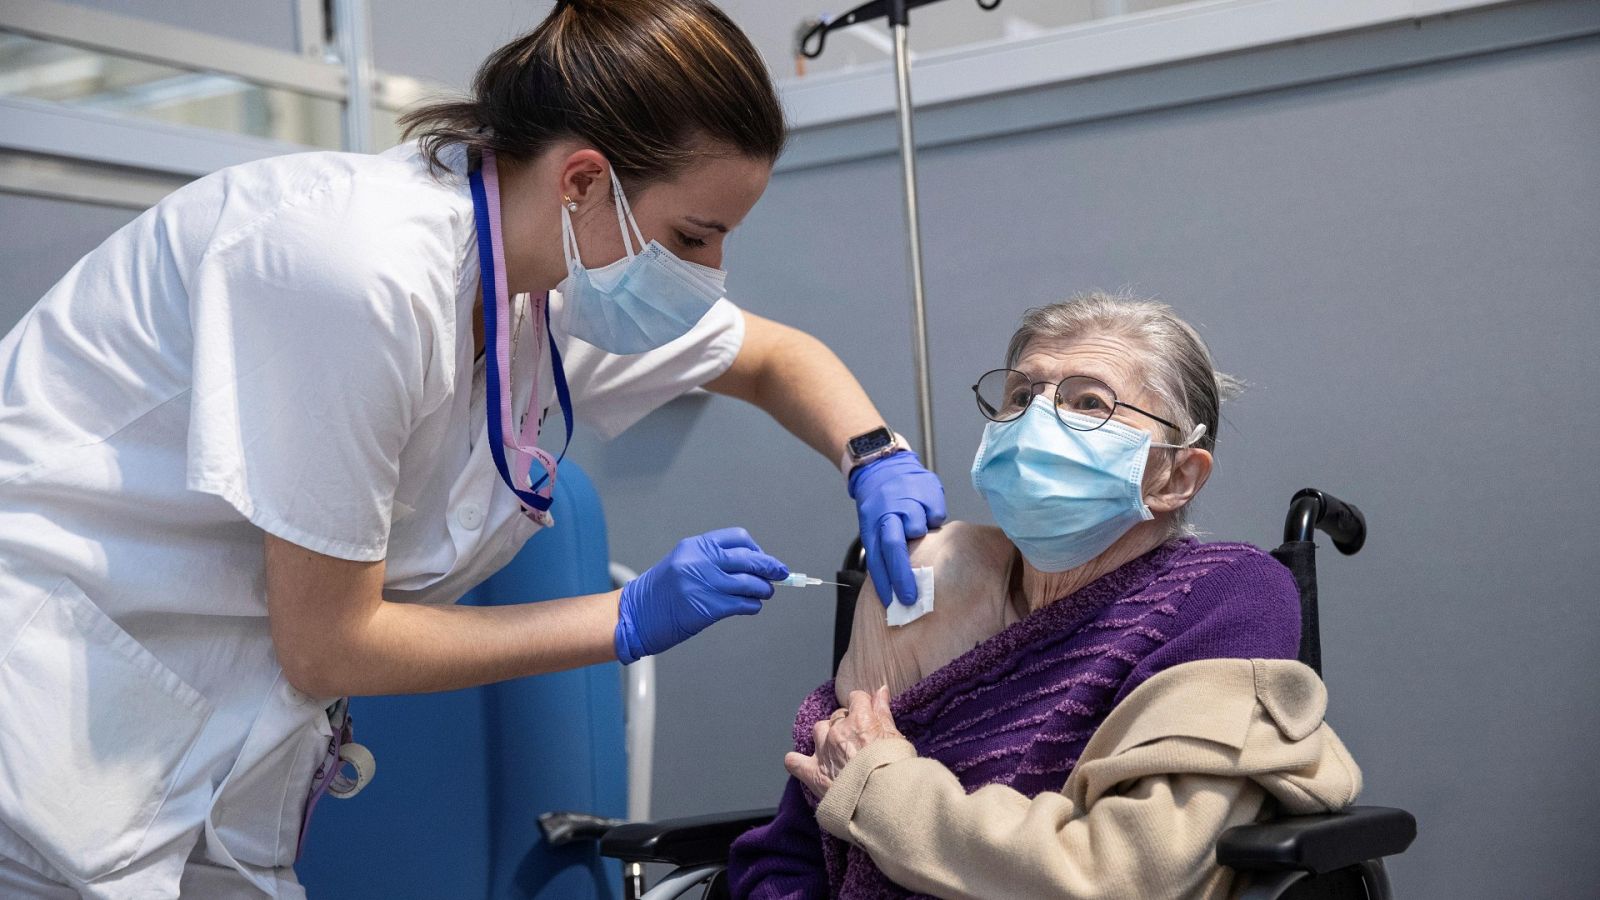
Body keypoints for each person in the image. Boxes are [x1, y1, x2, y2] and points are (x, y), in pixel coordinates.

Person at [0, 1, 946, 896]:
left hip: (198, 755)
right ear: (583, 180)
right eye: (693, 237)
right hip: (46, 726)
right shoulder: (356, 269)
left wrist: (873, 455)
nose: (707, 276)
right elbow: (330, 644)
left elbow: (773, 357)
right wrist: (626, 617)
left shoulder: (544, 287)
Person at [728, 294, 1362, 899]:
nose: (1036, 423)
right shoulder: (928, 584)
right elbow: (801, 836)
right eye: (1021, 396)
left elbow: (1124, 874)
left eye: (1090, 403)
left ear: (1176, 474)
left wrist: (880, 789)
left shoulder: (1223, 596)